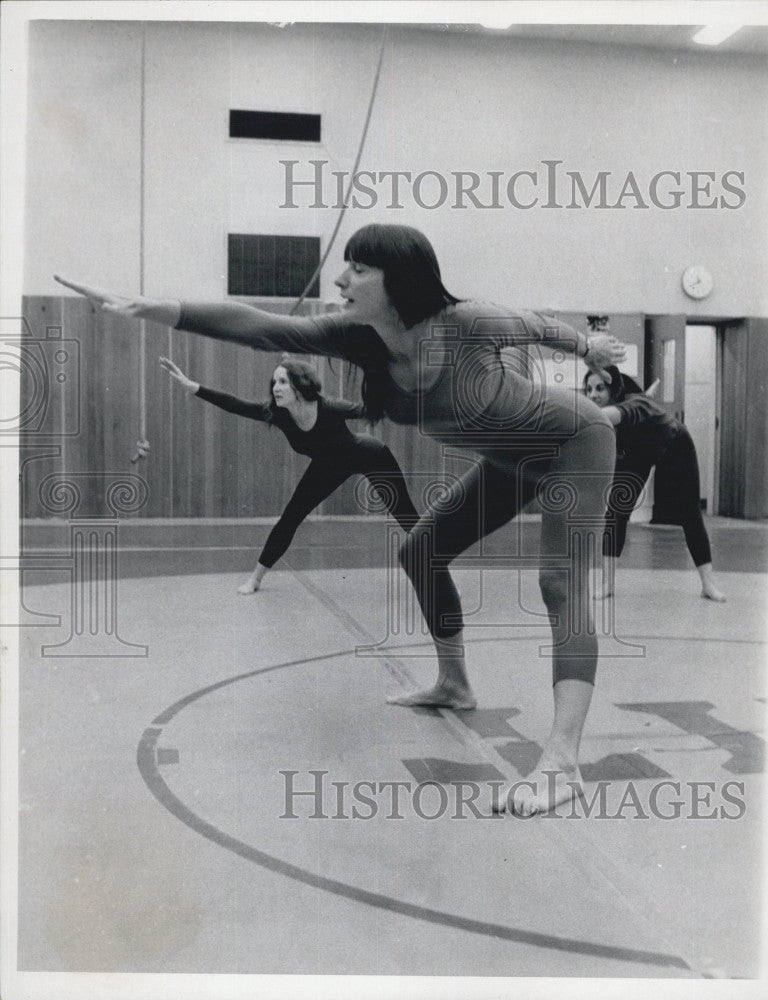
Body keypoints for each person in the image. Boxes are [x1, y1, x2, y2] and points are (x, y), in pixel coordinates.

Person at [55, 224, 625, 815]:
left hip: (574, 442)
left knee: (558, 582)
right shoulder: (359, 339)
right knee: (421, 552)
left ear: (398, 277)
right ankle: (455, 684)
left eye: (358, 267)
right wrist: (157, 308)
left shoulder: (466, 322)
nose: (341, 278)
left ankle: (561, 765)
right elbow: (260, 326)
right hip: (510, 459)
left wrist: (589, 348)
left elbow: (535, 326)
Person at [160, 354, 419, 593]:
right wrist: (192, 386)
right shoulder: (279, 414)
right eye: (274, 382)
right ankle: (255, 579)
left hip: (370, 456)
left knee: (405, 514)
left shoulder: (329, 407)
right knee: (290, 518)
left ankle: (439, 573)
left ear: (299, 385)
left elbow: (374, 411)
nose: (276, 388)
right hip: (327, 467)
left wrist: (414, 397)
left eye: (283, 382)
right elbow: (236, 405)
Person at [583, 365, 726, 602]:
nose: (593, 394)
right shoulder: (616, 411)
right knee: (616, 512)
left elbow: (603, 415)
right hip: (639, 451)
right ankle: (607, 584)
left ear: (614, 390)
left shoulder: (635, 405)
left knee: (689, 513)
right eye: (588, 389)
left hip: (674, 443)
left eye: (600, 388)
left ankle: (708, 584)